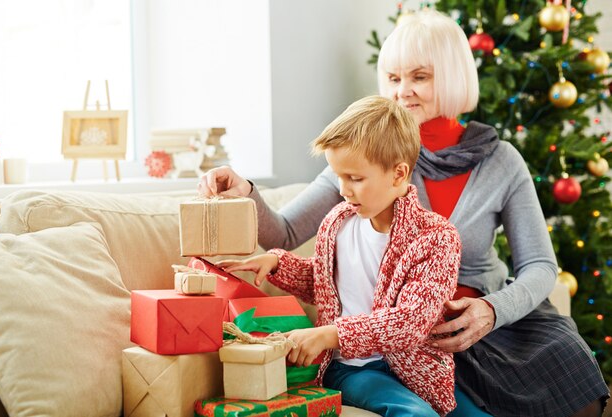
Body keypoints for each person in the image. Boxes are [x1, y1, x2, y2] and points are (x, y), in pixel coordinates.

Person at [200, 9, 609, 417]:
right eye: (393, 78)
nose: (402, 91)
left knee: (572, 374)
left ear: (451, 77)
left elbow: (539, 264)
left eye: (420, 77)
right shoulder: (372, 157)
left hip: (490, 315)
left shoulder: (501, 161)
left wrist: (492, 310)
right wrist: (247, 193)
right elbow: (286, 233)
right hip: (418, 328)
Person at [218, 94, 461, 417]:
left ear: (398, 174)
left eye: (355, 179)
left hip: (416, 372)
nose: (343, 190)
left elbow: (409, 321)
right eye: (338, 176)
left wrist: (329, 334)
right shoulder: (339, 221)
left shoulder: (436, 237)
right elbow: (327, 282)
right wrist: (278, 263)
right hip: (351, 368)